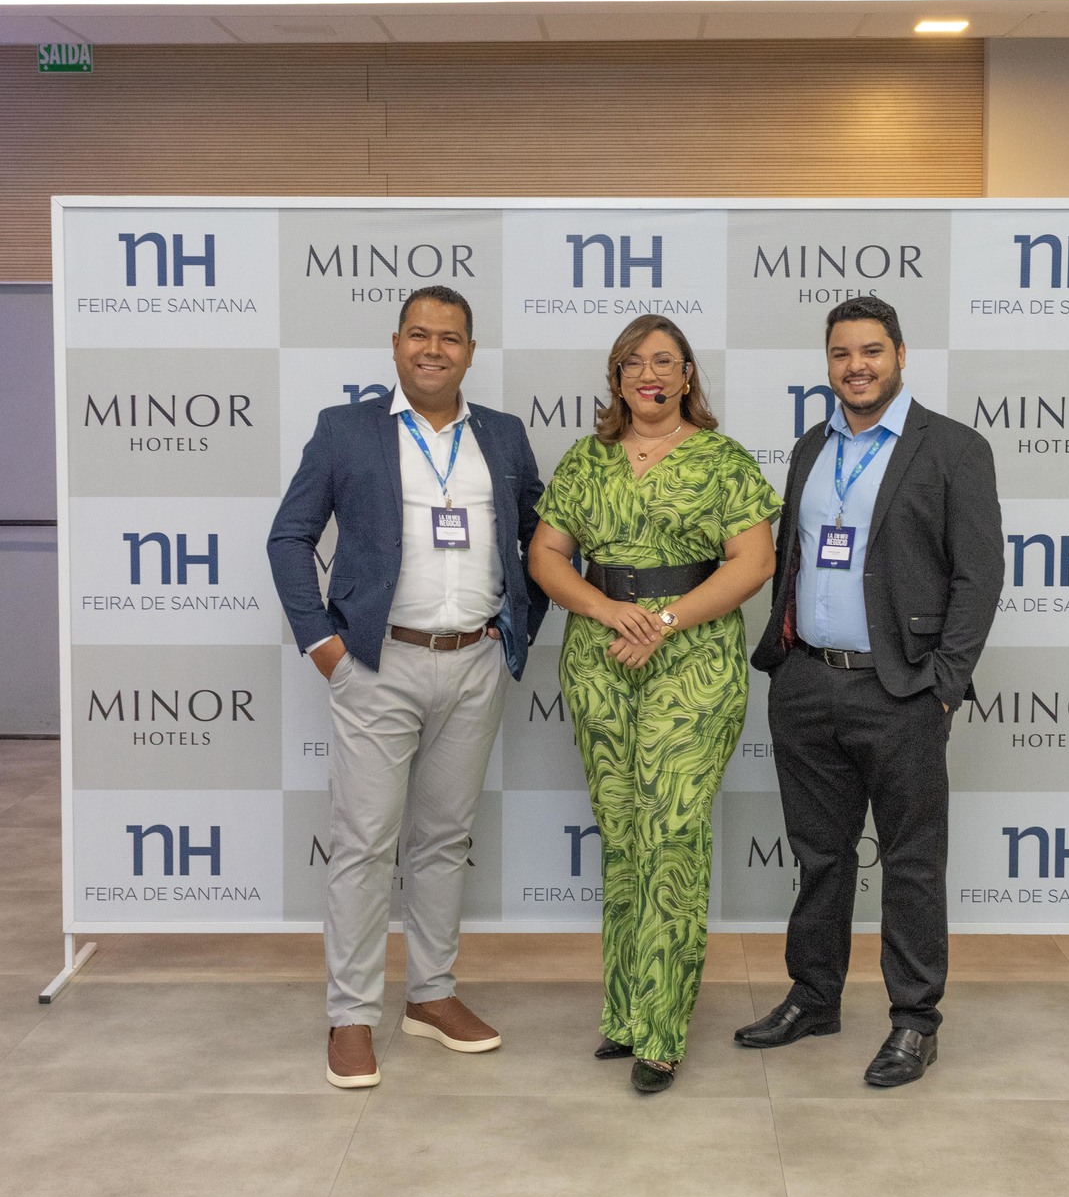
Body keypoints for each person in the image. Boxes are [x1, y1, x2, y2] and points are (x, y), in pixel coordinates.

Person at [267, 287, 546, 1088]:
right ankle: (352, 1015)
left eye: (450, 337)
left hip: (475, 662)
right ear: (395, 345)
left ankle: (431, 995)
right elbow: (289, 537)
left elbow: (540, 540)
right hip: (377, 662)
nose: (433, 349)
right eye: (419, 335)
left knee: (444, 839)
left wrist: (515, 629)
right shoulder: (345, 430)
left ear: (470, 351)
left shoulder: (503, 435)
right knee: (364, 842)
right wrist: (324, 644)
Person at [736, 293, 1005, 1085]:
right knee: (819, 856)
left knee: (911, 862)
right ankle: (814, 996)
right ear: (829, 363)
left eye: (871, 351)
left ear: (901, 356)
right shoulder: (811, 446)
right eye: (842, 353)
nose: (856, 366)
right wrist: (786, 662)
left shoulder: (954, 448)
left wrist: (943, 685)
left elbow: (979, 577)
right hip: (806, 682)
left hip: (901, 689)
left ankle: (915, 1020)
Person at [529, 317, 779, 1093]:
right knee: (623, 834)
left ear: (688, 375)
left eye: (665, 360)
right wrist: (608, 611)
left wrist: (664, 622)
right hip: (601, 658)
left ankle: (662, 1030)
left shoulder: (723, 460)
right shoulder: (586, 460)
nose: (650, 373)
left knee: (671, 833)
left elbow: (754, 561)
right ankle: (625, 1014)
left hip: (694, 661)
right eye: (634, 361)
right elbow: (545, 554)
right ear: (616, 377)